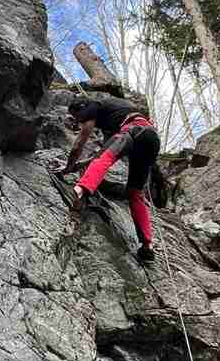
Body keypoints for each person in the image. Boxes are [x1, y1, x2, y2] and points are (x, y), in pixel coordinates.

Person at [62, 95, 160, 263]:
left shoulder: (92, 104)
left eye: (77, 117)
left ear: (81, 108)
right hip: (151, 139)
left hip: (133, 130)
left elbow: (80, 142)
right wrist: (78, 166)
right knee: (135, 193)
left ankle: (79, 191)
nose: (78, 121)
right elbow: (103, 152)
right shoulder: (112, 117)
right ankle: (147, 246)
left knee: (103, 161)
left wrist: (68, 166)